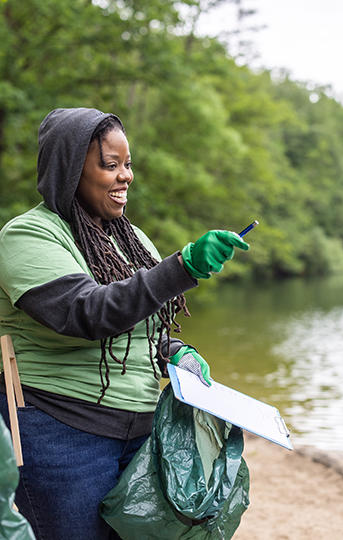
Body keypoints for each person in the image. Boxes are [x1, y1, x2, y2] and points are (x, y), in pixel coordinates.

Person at [0, 107, 249, 539]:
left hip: (139, 433)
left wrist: (175, 351)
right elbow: (85, 313)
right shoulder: (27, 236)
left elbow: (141, 330)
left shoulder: (130, 241)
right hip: (60, 434)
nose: (126, 176)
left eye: (127, 164)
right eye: (110, 165)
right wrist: (182, 267)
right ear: (69, 169)